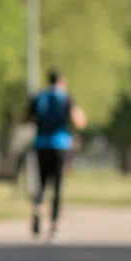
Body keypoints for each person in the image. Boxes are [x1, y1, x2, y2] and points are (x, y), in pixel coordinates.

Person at [26, 70, 87, 242]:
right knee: (58, 186)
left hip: (40, 145)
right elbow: (79, 121)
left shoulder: (38, 97)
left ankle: (38, 209)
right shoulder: (65, 98)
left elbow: (28, 120)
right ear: (61, 81)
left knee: (42, 184)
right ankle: (54, 227)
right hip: (60, 145)